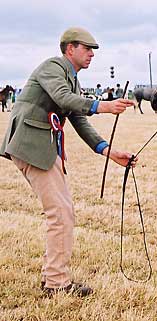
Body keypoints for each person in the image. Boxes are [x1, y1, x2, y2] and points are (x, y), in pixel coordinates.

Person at [0, 27, 137, 297]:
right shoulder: (53, 67)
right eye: (87, 49)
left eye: (93, 51)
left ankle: (55, 279)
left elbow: (78, 119)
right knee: (60, 214)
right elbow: (64, 99)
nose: (91, 55)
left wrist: (109, 151)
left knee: (63, 213)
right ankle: (55, 283)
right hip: (32, 146)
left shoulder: (71, 79)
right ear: (69, 48)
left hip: (41, 148)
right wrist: (104, 106)